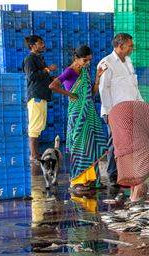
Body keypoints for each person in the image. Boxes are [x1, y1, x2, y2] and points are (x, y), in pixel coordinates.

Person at [48, 46, 108, 196]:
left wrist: (98, 78)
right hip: (76, 114)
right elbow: (52, 85)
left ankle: (92, 179)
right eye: (85, 60)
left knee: (91, 145)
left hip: (89, 113)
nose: (87, 63)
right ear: (77, 58)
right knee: (79, 146)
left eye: (89, 60)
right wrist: (70, 94)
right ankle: (77, 181)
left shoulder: (85, 72)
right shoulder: (69, 71)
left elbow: (91, 95)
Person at [97, 33, 144, 203]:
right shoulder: (106, 63)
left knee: (128, 142)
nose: (132, 48)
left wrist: (141, 103)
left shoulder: (128, 62)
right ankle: (112, 174)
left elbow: (134, 85)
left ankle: (127, 173)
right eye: (130, 45)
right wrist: (109, 113)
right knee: (114, 142)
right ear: (120, 45)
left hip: (131, 108)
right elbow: (104, 90)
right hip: (114, 110)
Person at [23, 35, 59, 162]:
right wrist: (47, 69)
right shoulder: (30, 59)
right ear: (33, 46)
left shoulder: (39, 58)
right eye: (40, 43)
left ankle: (36, 153)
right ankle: (33, 155)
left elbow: (42, 76)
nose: (43, 45)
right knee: (34, 126)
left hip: (42, 95)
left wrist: (53, 79)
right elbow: (31, 76)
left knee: (39, 126)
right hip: (36, 96)